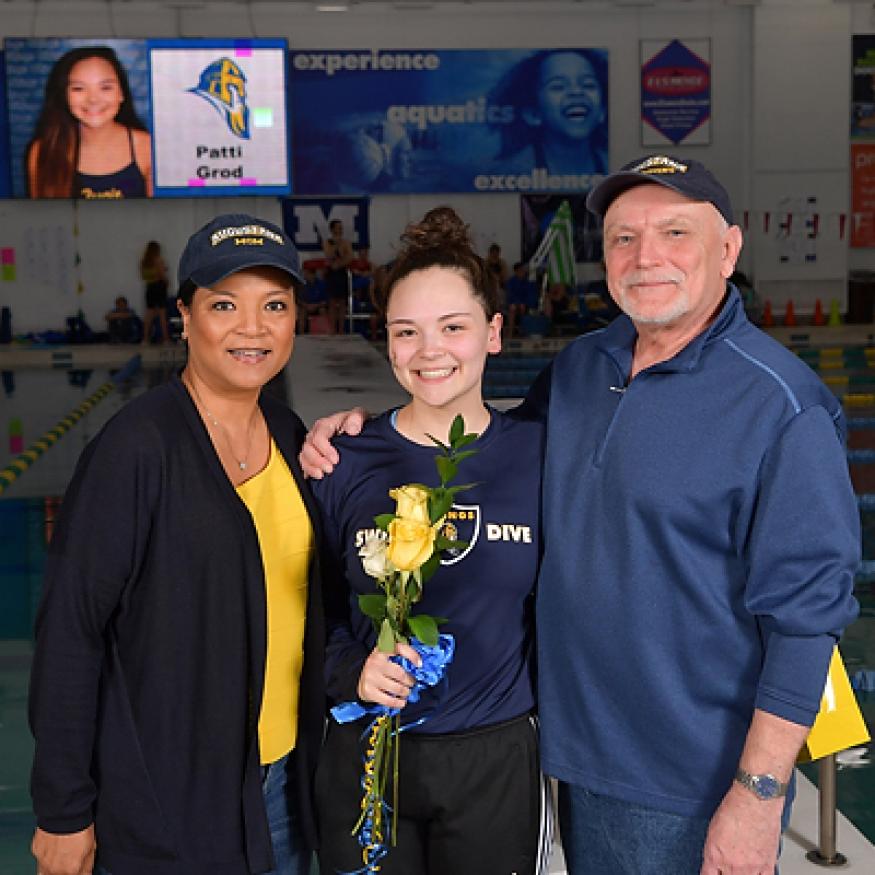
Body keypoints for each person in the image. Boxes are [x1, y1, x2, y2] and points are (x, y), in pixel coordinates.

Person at [299, 155, 861, 875]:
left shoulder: (782, 405)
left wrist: (758, 793)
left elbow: (805, 619)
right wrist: (350, 432)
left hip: (691, 780)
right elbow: (474, 447)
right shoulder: (579, 371)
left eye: (674, 233)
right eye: (624, 237)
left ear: (727, 248)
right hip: (574, 760)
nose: (645, 256)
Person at [29, 213, 326, 875]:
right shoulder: (135, 450)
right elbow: (70, 631)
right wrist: (64, 808)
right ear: (184, 317)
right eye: (225, 304)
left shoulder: (286, 429)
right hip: (167, 805)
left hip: (281, 792)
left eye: (274, 305)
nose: (253, 327)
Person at [311, 207, 550, 875]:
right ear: (384, 340)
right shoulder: (342, 458)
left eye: (453, 327)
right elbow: (309, 610)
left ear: (493, 334)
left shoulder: (539, 454)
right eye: (406, 331)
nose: (429, 350)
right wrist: (349, 670)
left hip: (493, 759)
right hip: (367, 751)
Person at [26, 45, 152, 199]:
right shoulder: (43, 151)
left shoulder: (147, 147)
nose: (93, 99)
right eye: (78, 88)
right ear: (64, 96)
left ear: (121, 94)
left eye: (105, 88)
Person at [489, 49, 608, 178]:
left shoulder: (619, 169)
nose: (576, 91)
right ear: (533, 114)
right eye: (558, 86)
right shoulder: (508, 175)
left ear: (602, 111)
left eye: (588, 85)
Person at [321, 219, 354, 334]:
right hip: (331, 273)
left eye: (341, 227)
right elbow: (328, 255)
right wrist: (336, 246)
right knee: (332, 302)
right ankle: (333, 329)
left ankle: (341, 329)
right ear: (332, 229)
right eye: (338, 227)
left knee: (342, 302)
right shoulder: (327, 242)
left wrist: (339, 263)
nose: (340, 229)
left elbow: (350, 257)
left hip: (341, 272)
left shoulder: (346, 242)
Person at [140, 240, 170, 344]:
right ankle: (166, 338)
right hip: (159, 286)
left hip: (150, 286)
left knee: (149, 314)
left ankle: (145, 338)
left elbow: (143, 276)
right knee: (162, 314)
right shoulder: (158, 260)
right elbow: (161, 274)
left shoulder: (144, 261)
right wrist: (167, 282)